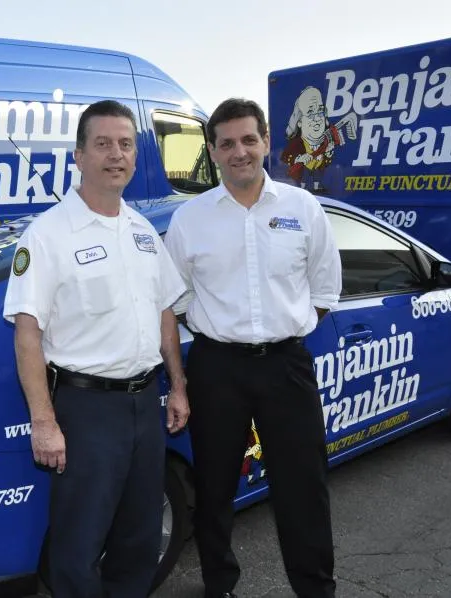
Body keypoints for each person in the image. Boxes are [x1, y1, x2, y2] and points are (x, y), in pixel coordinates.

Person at [3, 99, 189, 598]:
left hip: (144, 404)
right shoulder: (47, 235)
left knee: (140, 534)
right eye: (102, 144)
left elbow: (165, 313)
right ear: (79, 156)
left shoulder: (143, 231)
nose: (116, 154)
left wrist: (178, 387)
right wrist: (44, 423)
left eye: (125, 144)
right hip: (85, 410)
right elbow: (27, 333)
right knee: (78, 543)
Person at [165, 98, 341, 598]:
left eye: (248, 140)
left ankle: (316, 589)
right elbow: (174, 302)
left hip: (286, 365)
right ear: (213, 153)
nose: (239, 151)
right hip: (217, 367)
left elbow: (323, 292)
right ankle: (219, 584)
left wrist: (280, 332)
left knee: (303, 487)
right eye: (227, 144)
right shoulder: (189, 220)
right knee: (216, 487)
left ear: (266, 142)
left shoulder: (303, 209)